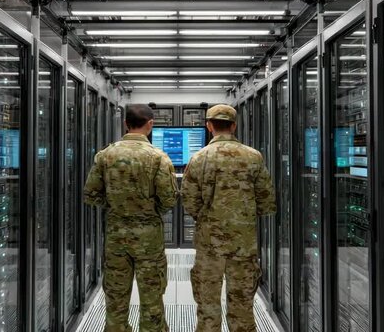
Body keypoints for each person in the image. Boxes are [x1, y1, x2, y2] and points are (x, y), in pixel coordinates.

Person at [181, 104, 276, 332]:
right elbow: (267, 201)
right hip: (243, 244)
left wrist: (204, 217)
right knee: (243, 305)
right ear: (234, 126)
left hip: (209, 244)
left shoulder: (199, 158)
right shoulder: (253, 157)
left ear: (209, 126)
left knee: (208, 306)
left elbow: (189, 200)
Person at [84, 104, 178, 332]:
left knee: (115, 300)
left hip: (116, 236)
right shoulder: (158, 157)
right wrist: (149, 209)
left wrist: (115, 205)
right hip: (149, 239)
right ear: (150, 125)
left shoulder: (105, 155)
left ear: (125, 124)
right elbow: (169, 199)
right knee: (152, 299)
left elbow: (90, 194)